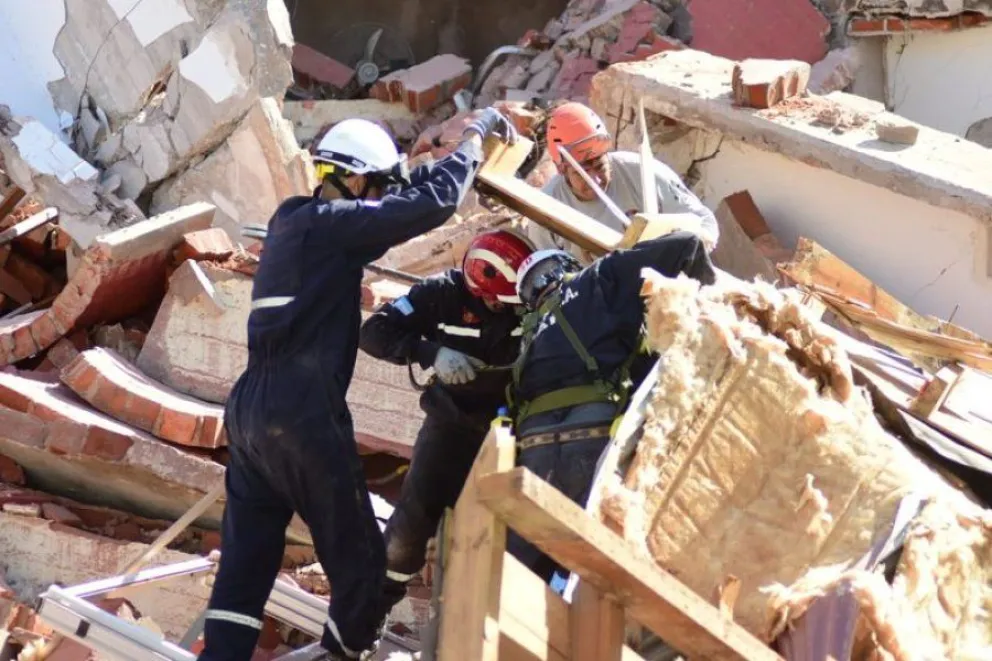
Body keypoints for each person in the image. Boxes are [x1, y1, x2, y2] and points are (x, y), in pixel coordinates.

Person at [198, 109, 518, 661]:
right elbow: (433, 203)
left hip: (248, 414)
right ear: (352, 178)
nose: (380, 197)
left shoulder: (294, 222)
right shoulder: (331, 228)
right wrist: (473, 137)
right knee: (365, 567)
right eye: (377, 185)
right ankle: (343, 655)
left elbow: (394, 202)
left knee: (244, 568)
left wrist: (416, 170)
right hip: (302, 413)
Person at [505, 231, 717, 585]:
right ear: (568, 265)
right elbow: (687, 245)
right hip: (593, 437)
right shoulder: (596, 277)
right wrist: (711, 312)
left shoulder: (528, 335)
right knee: (592, 571)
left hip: (534, 452)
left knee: (519, 576)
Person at [358, 228, 535, 605]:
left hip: (517, 427)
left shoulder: (531, 300)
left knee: (518, 529)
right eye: (498, 301)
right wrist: (430, 353)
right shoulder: (440, 294)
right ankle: (374, 607)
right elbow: (373, 332)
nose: (506, 308)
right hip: (452, 424)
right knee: (414, 521)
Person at [527, 101, 719, 260]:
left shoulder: (642, 172)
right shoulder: (546, 209)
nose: (596, 180)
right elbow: (544, 271)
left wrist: (688, 248)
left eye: (600, 166)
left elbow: (704, 222)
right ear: (562, 169)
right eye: (582, 172)